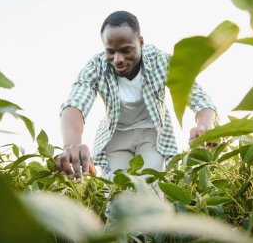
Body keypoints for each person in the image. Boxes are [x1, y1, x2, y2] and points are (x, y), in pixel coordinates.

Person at [55, 11, 216, 182]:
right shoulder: (96, 66)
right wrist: (71, 144)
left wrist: (204, 124)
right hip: (116, 135)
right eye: (110, 52)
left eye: (126, 50)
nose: (117, 59)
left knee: (149, 185)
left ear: (140, 42)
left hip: (150, 133)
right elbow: (76, 102)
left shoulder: (160, 61)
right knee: (119, 190)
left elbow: (197, 96)